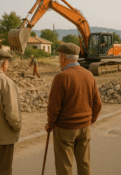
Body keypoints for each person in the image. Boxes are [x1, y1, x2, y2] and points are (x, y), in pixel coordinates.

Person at [45, 43, 102, 175]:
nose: (59, 60)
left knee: (64, 165)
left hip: (65, 129)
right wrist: (90, 121)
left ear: (64, 58)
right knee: (84, 163)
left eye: (59, 57)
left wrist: (50, 124)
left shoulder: (61, 77)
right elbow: (98, 104)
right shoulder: (89, 75)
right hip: (85, 128)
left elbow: (53, 108)